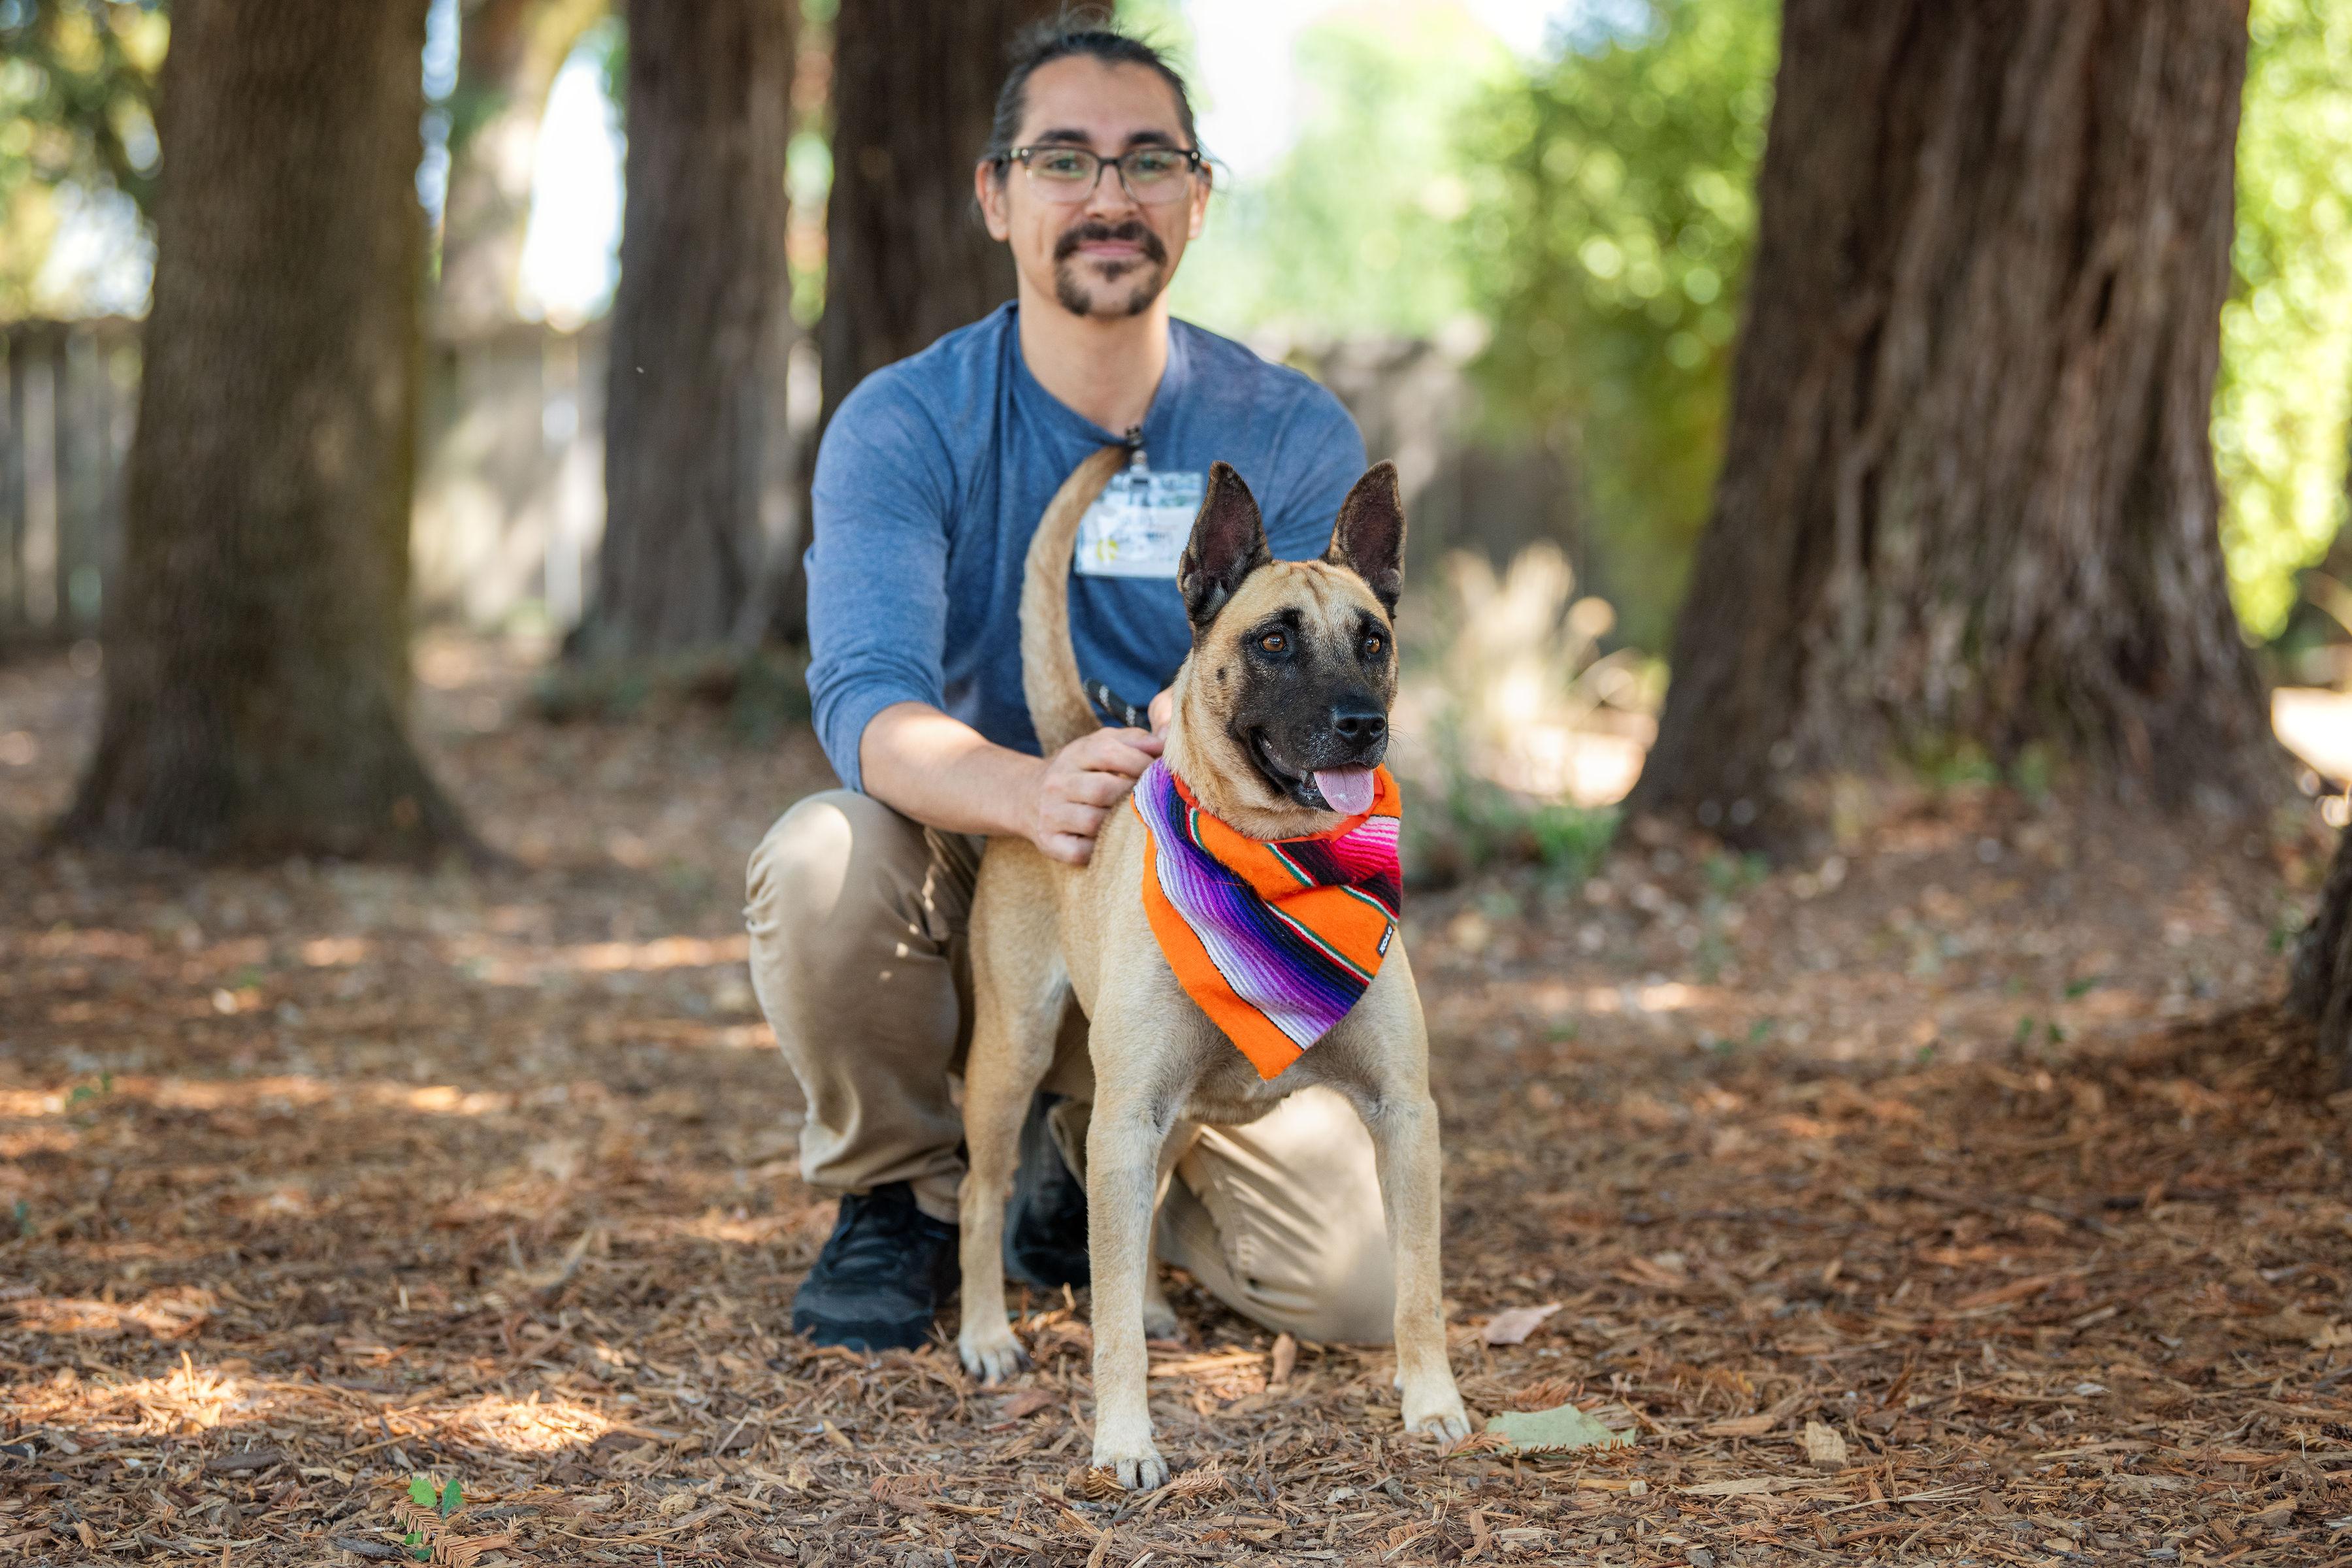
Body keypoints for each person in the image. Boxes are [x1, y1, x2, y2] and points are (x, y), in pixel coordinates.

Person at [745, 16, 1396, 1353]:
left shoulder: (1288, 430)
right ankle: (903, 1194)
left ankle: (1109, 1162)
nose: (1110, 196)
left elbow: (1339, 702)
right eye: (1064, 159)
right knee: (821, 856)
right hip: (980, 852)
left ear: (1198, 198)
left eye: (1150, 161)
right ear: (997, 195)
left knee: (1357, 1298)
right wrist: (1033, 791)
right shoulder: (905, 421)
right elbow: (867, 702)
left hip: (1220, 880)